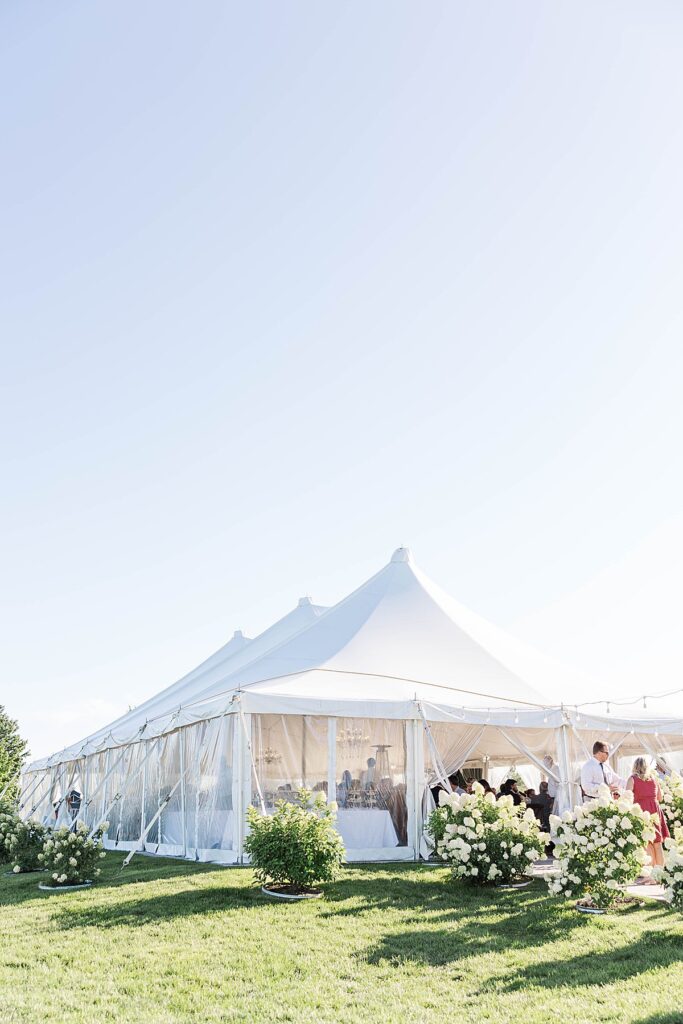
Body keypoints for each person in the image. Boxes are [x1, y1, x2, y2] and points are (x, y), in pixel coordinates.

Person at [626, 756, 669, 878]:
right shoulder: (653, 779)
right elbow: (660, 797)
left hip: (642, 813)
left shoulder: (632, 779)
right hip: (655, 811)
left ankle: (650, 876)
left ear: (635, 766)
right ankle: (659, 876)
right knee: (657, 843)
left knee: (647, 843)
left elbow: (627, 797)